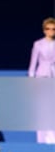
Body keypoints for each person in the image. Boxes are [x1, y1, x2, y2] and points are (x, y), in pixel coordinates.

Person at [28, 16, 55, 144]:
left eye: (53, 29)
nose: (51, 31)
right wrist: (31, 82)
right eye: (48, 29)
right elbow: (33, 64)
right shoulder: (38, 44)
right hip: (42, 77)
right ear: (44, 30)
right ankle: (42, 140)